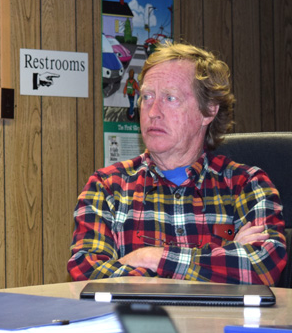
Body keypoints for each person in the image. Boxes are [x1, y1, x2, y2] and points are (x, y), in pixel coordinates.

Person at [67, 41, 287, 285]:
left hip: (219, 324)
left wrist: (150, 257)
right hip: (142, 323)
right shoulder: (107, 187)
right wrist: (222, 259)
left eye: (170, 98)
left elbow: (262, 266)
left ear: (208, 111)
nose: (152, 112)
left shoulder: (246, 184)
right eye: (147, 97)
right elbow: (88, 274)